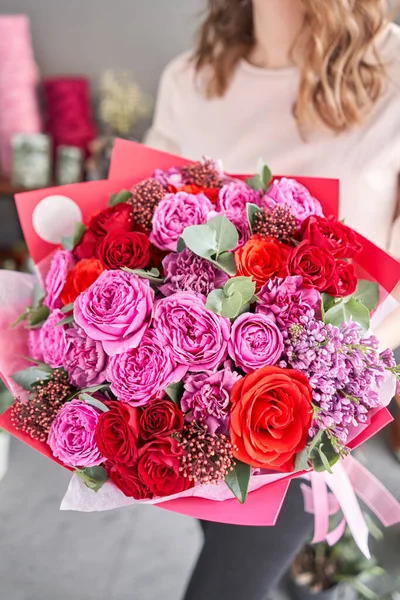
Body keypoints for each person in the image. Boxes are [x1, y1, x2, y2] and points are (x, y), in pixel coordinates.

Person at [145, 2, 400, 599]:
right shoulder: (190, 78)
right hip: (196, 408)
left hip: (314, 417)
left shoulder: (393, 68)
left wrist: (335, 378)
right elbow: (147, 235)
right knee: (236, 548)